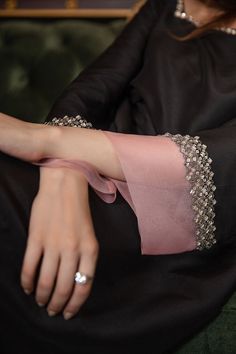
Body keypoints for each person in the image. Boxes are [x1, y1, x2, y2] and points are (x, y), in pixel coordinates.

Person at [0, 0, 236, 353]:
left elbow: (227, 157)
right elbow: (94, 89)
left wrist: (45, 140)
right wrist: (65, 172)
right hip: (97, 173)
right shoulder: (165, 6)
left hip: (177, 226)